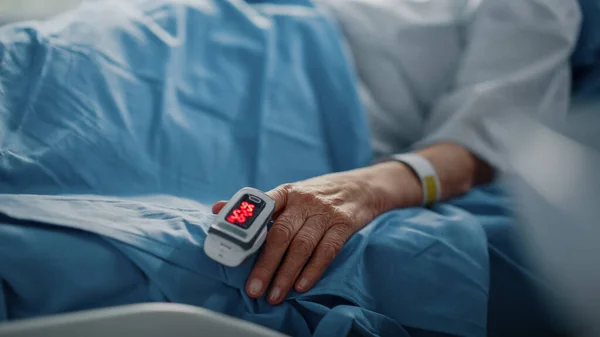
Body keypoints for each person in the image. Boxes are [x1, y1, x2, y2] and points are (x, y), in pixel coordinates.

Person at [209, 0, 581, 305]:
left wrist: (367, 188)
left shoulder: (536, 8)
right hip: (209, 28)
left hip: (297, 88)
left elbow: (481, 145)